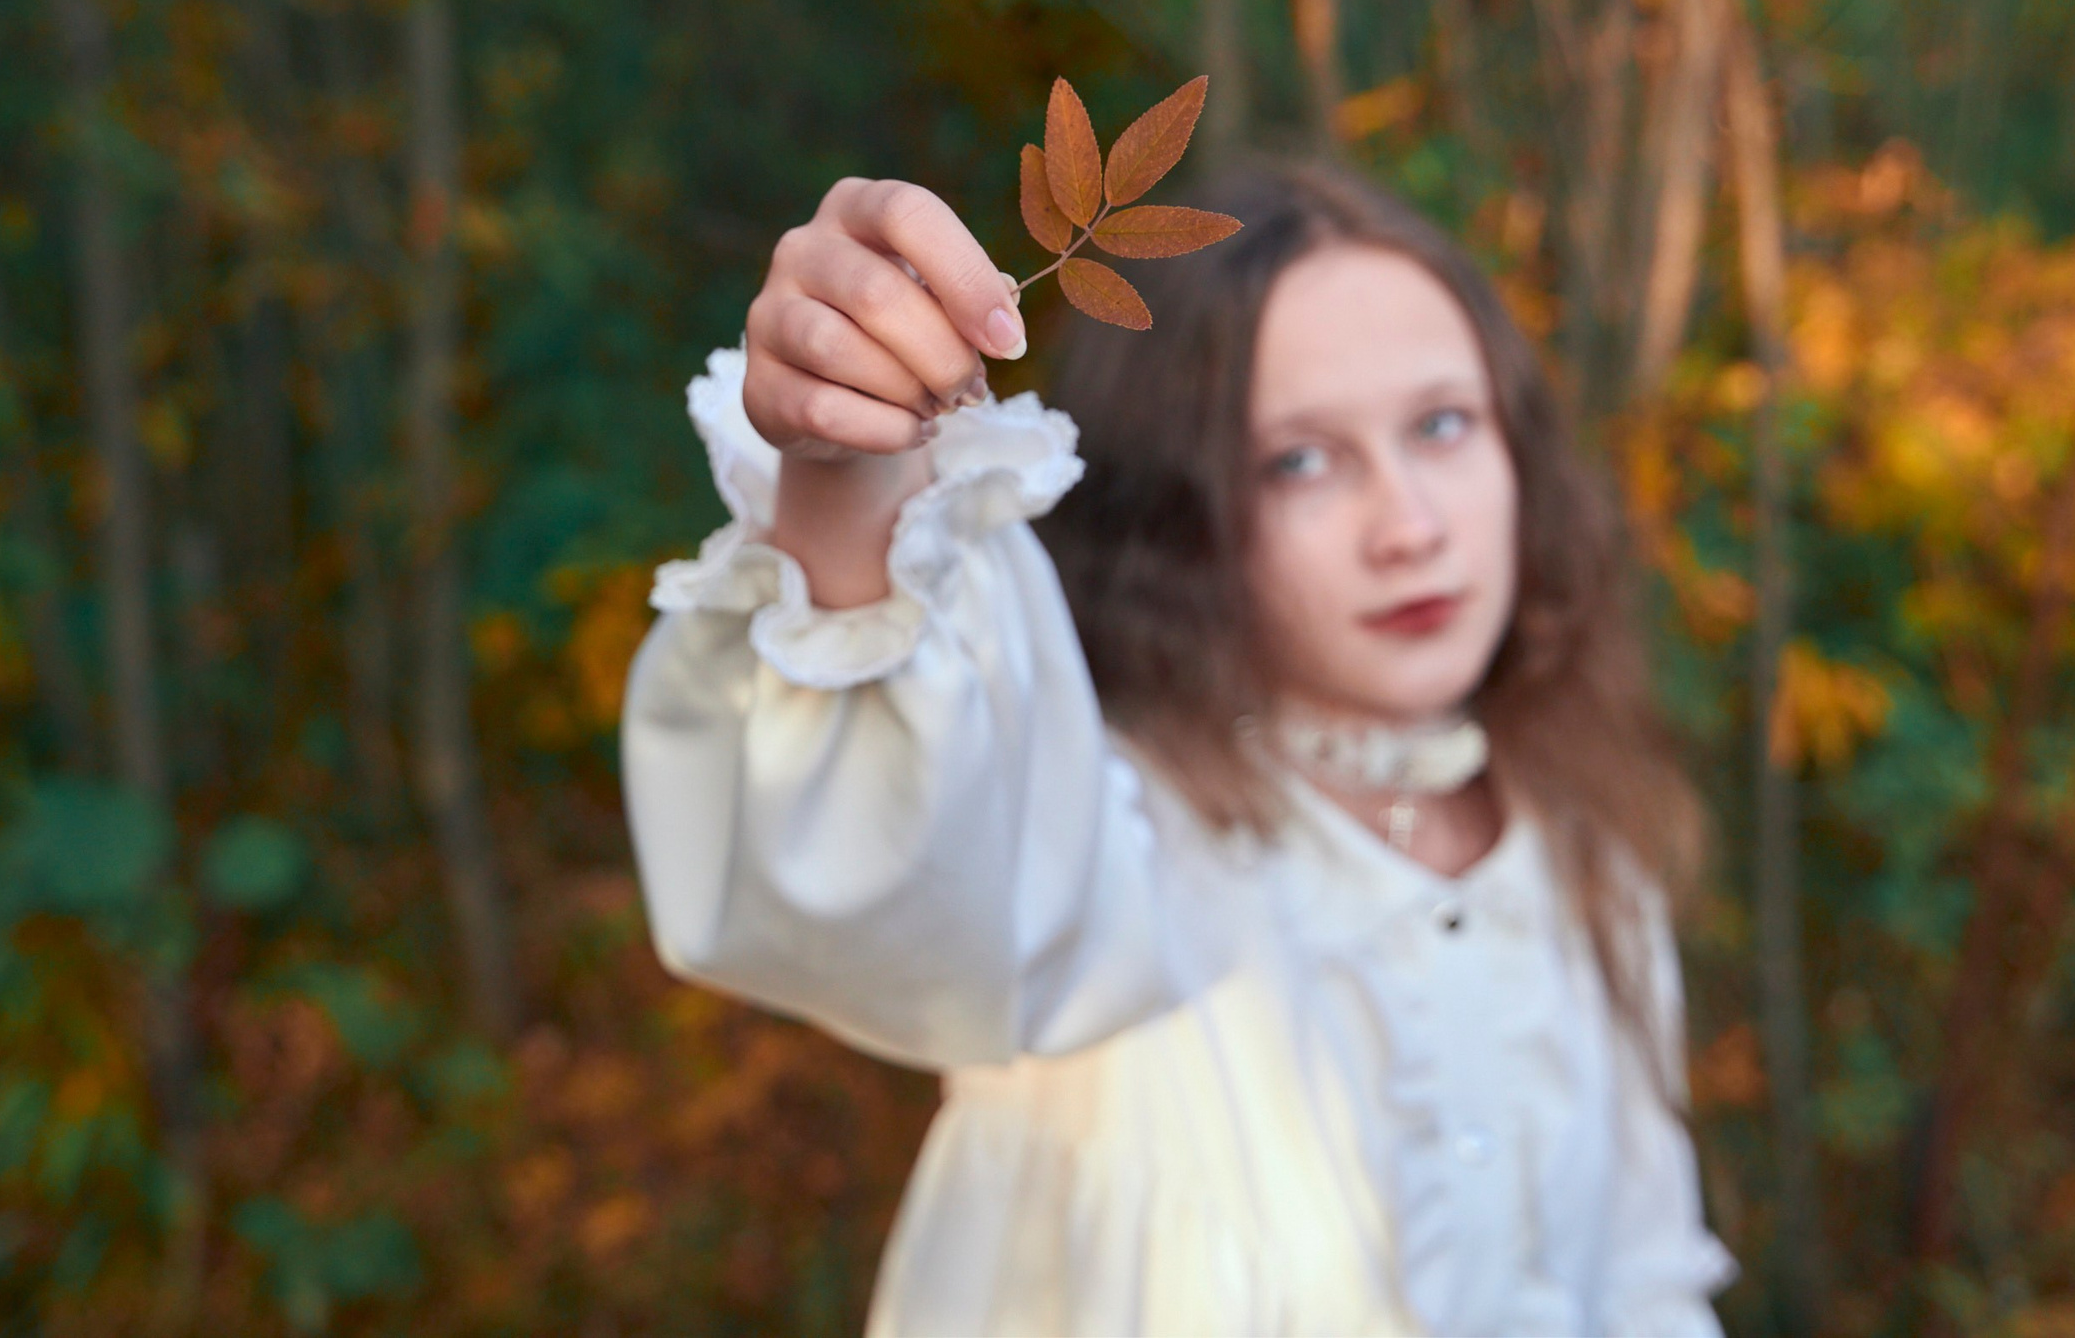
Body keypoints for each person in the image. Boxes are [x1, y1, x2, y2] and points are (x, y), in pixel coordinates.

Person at [619, 156, 1738, 1335]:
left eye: (1441, 425)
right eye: (1298, 460)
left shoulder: (1585, 860)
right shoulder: (1105, 846)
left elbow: (1642, 1278)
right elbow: (884, 878)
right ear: (1180, 512)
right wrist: (848, 493)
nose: (1409, 526)